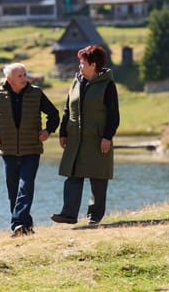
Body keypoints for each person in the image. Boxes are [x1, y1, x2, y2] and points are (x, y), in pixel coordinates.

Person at [0, 63, 59, 237]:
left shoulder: (36, 93)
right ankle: (25, 227)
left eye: (25, 74)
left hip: (32, 150)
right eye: (20, 76)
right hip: (8, 151)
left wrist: (47, 130)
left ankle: (16, 224)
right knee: (14, 190)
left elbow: (54, 114)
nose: (24, 78)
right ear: (9, 79)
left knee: (26, 186)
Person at [51, 45, 120, 226]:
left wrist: (107, 137)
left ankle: (94, 216)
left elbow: (114, 115)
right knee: (73, 176)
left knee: (98, 178)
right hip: (76, 140)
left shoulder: (108, 85)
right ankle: (69, 214)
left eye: (83, 63)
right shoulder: (75, 82)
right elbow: (67, 109)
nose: (80, 66)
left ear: (93, 64)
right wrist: (63, 132)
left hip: (98, 139)